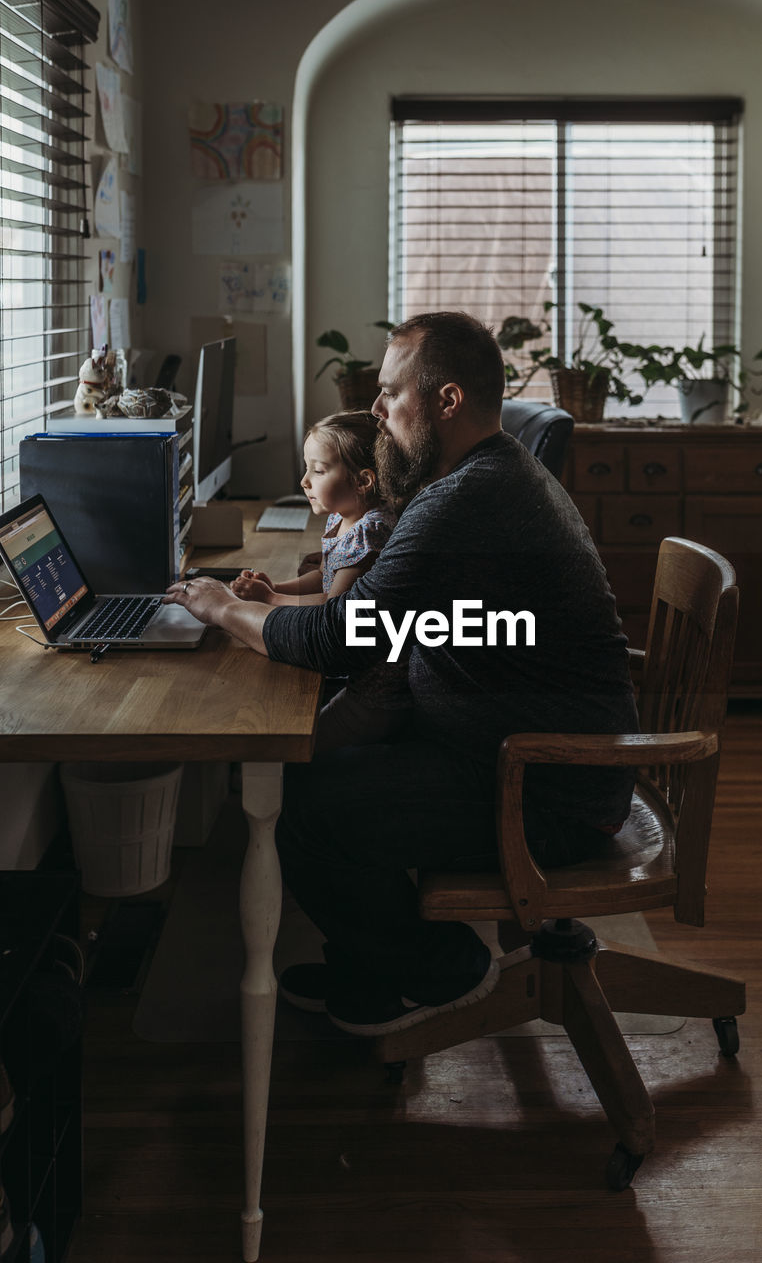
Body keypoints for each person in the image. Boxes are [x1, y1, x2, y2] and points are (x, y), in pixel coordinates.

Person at [164, 311, 639, 1038]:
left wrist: (223, 608)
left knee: (309, 812)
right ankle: (374, 963)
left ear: (446, 401)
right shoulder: (483, 476)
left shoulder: (464, 499)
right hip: (520, 754)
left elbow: (341, 636)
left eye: (391, 394)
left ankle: (439, 968)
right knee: (317, 767)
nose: (377, 411)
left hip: (547, 788)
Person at [231, 409, 411, 753]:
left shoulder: (370, 532)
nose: (304, 481)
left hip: (376, 693)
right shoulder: (345, 518)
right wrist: (276, 588)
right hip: (357, 677)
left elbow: (334, 605)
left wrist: (269, 601)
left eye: (318, 470)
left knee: (308, 747)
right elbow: (326, 575)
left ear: (363, 481)